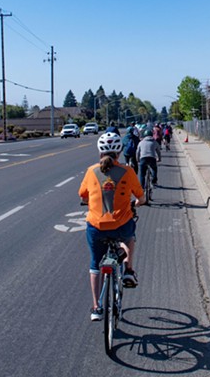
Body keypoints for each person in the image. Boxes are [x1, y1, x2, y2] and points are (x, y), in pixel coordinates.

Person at [79, 132, 146, 322]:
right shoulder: (128, 171)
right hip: (120, 225)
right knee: (128, 238)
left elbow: (82, 195)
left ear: (100, 152)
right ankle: (128, 271)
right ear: (120, 152)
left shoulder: (91, 171)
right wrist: (137, 203)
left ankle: (96, 307)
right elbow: (141, 197)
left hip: (96, 227)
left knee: (95, 264)